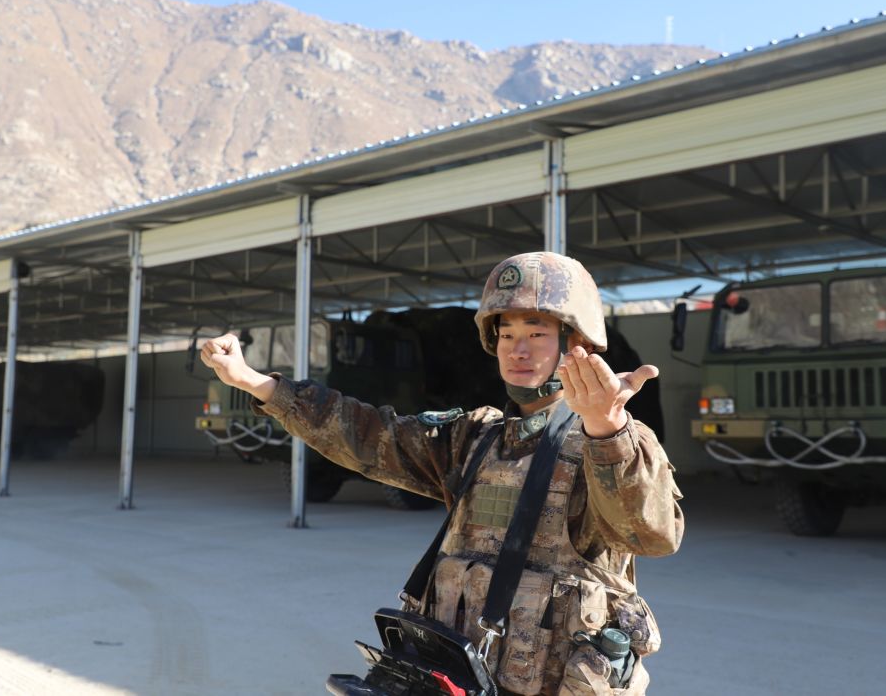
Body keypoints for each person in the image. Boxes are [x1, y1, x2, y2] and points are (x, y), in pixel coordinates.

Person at [201, 251, 684, 695]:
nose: (518, 350)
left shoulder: (613, 443)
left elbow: (652, 534)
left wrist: (607, 429)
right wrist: (255, 383)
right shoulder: (475, 437)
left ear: (576, 343)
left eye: (537, 334)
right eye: (507, 335)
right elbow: (368, 436)